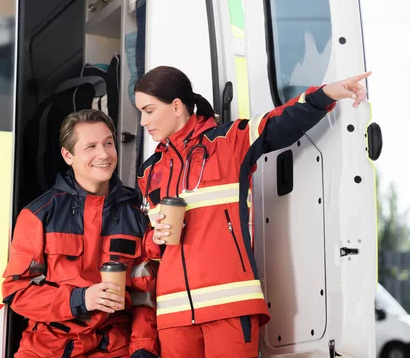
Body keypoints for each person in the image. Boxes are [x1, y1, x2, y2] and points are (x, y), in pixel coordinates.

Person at [135, 66, 371, 357]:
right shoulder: (149, 171)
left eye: (149, 110)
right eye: (140, 113)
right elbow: (149, 247)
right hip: (174, 314)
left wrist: (326, 94)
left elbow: (280, 123)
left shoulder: (230, 141)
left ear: (175, 106)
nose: (143, 121)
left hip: (231, 306)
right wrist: (155, 239)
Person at [2, 109, 159, 358]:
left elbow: (145, 297)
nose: (104, 154)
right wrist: (81, 299)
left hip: (115, 349)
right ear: (68, 155)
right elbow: (18, 292)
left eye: (108, 143)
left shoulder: (138, 214)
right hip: (46, 350)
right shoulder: (39, 214)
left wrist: (143, 349)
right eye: (91, 147)